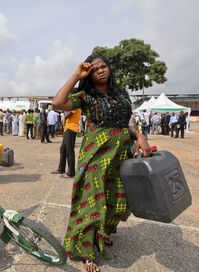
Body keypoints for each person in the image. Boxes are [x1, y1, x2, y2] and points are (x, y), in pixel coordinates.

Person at [52, 54, 151, 272]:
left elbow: (128, 123)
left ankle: (102, 233)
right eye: (95, 69)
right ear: (89, 73)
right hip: (96, 154)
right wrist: (77, 75)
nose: (101, 70)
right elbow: (58, 103)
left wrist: (139, 136)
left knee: (117, 198)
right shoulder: (85, 95)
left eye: (104, 66)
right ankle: (86, 252)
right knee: (91, 202)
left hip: (120, 155)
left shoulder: (121, 92)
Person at [51, 108, 81, 178]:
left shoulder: (75, 106)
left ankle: (71, 172)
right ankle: (61, 169)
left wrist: (64, 109)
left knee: (69, 150)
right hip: (67, 129)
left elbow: (67, 115)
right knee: (63, 149)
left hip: (71, 129)